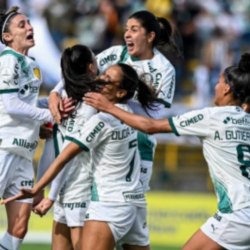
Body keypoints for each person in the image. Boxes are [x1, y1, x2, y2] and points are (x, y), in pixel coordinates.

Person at [84, 53, 250, 250]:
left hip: (238, 213)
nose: (215, 86)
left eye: (218, 82)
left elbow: (150, 126)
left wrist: (109, 107)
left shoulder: (212, 117)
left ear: (226, 88)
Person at [2, 63, 157, 250]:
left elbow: (63, 157)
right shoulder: (129, 114)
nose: (100, 79)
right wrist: (54, 96)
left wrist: (38, 188)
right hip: (135, 202)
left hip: (109, 203)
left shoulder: (101, 121)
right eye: (103, 74)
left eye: (107, 80)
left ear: (121, 93)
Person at [50, 10, 182, 193]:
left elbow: (155, 116)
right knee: (92, 209)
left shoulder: (165, 69)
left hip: (137, 149)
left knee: (128, 210)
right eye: (127, 29)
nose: (127, 34)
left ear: (150, 36)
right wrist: (54, 93)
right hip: (102, 145)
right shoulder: (115, 53)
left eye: (134, 29)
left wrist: (112, 106)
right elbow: (81, 72)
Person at [34, 44, 98, 250]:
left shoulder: (82, 104)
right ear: (90, 67)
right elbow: (61, 151)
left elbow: (65, 154)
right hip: (69, 184)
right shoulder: (75, 104)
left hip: (78, 186)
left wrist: (48, 193)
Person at [0, 6, 53, 250]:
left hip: (24, 152)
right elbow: (11, 105)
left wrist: (53, 103)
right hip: (5, 147)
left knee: (20, 226)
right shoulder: (9, 59)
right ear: (7, 37)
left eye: (29, 23)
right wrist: (48, 113)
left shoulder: (31, 63)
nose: (30, 27)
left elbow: (27, 103)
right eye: (22, 25)